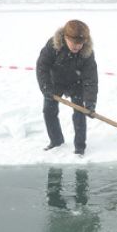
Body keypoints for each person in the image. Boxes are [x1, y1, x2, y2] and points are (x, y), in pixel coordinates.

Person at [36, 19, 98, 156]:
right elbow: (42, 66)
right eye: (74, 43)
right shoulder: (53, 45)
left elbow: (91, 79)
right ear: (65, 37)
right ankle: (56, 141)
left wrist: (90, 102)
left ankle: (80, 147)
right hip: (55, 82)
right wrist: (46, 87)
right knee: (49, 111)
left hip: (77, 83)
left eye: (80, 44)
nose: (77, 47)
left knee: (80, 113)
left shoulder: (87, 53)